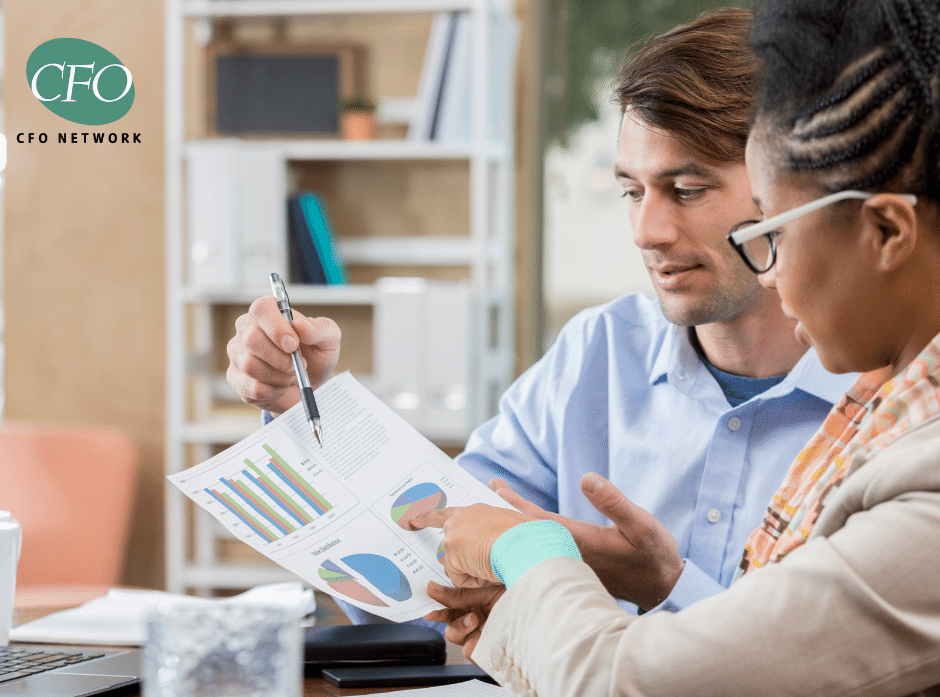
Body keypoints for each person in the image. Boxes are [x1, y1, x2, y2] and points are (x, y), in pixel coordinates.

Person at [406, 0, 940, 697]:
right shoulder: (882, 412)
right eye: (631, 191)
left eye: (777, 235)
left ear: (889, 233)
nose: (772, 267)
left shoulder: (919, 471)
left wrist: (527, 549)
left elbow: (611, 695)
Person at [225, 8, 854, 623]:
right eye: (633, 192)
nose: (647, 231)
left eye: (687, 191)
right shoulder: (598, 353)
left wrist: (664, 586)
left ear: (793, 189)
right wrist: (308, 408)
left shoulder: (893, 405)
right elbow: (425, 575)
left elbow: (836, 681)